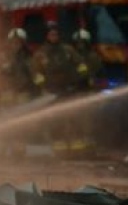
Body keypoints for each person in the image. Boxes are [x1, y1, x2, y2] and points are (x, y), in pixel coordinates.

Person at [31, 21, 89, 157]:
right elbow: (36, 73)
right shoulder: (40, 54)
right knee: (56, 121)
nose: (54, 37)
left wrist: (80, 80)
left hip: (69, 90)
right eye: (51, 34)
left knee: (74, 118)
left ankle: (77, 149)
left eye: (56, 34)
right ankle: (60, 150)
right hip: (53, 93)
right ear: (47, 36)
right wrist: (45, 87)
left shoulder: (68, 50)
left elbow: (81, 65)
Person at [70, 28, 103, 157]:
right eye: (78, 43)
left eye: (83, 43)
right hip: (75, 93)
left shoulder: (92, 56)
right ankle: (77, 149)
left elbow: (98, 71)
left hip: (88, 93)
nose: (80, 45)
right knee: (75, 121)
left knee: (89, 122)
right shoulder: (71, 56)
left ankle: (89, 149)